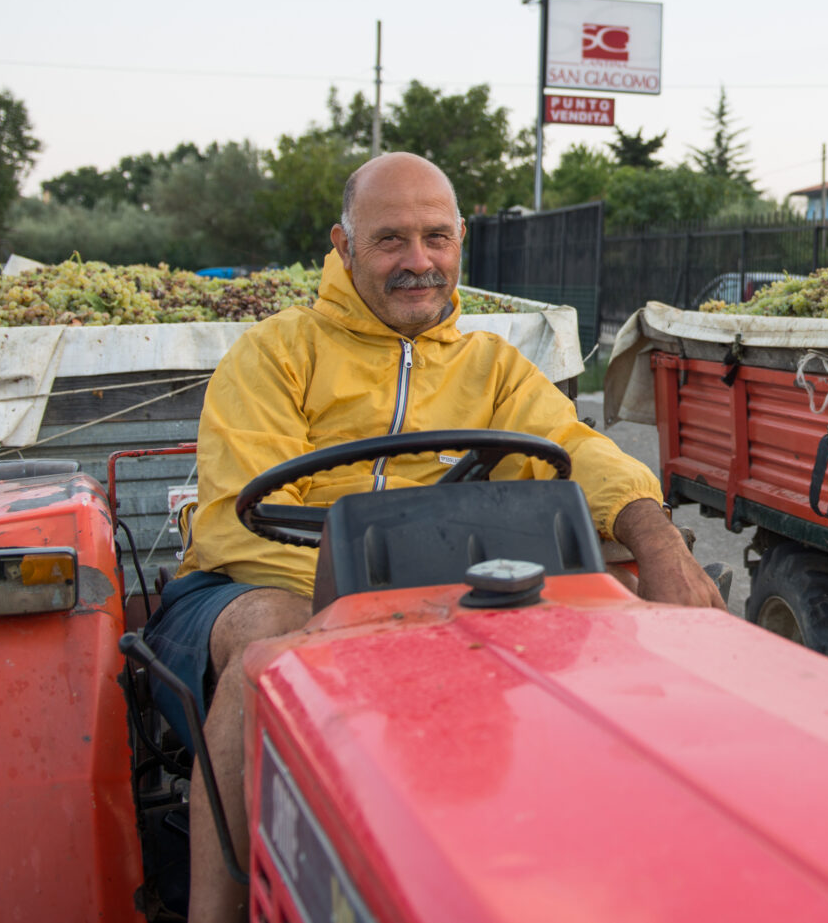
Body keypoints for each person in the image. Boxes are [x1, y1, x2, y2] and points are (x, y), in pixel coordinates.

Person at [143, 152, 725, 922]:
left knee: (622, 617)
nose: (419, 262)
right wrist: (366, 596)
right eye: (391, 240)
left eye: (436, 238)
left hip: (442, 588)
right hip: (260, 584)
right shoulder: (278, 352)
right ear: (343, 246)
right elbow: (235, 524)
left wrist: (658, 539)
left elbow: (574, 447)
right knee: (272, 649)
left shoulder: (492, 367)